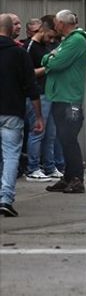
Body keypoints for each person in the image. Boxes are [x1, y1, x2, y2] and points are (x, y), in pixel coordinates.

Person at [38, 11, 86, 194]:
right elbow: (48, 59)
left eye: (56, 23)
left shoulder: (75, 41)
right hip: (61, 96)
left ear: (61, 23)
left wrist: (50, 58)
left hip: (69, 99)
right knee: (64, 138)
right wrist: (50, 58)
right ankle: (68, 177)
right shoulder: (67, 41)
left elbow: (55, 63)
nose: (54, 26)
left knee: (69, 139)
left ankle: (76, 179)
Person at [0, 14, 41, 216]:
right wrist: (39, 116)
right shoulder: (19, 53)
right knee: (10, 155)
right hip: (12, 113)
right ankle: (5, 199)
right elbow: (31, 87)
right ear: (9, 30)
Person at [23, 16, 59, 181]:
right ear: (42, 30)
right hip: (37, 94)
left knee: (50, 133)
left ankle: (50, 167)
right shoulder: (30, 47)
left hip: (49, 93)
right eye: (50, 36)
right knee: (38, 131)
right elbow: (29, 74)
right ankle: (33, 168)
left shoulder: (45, 46)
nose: (51, 40)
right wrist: (49, 66)